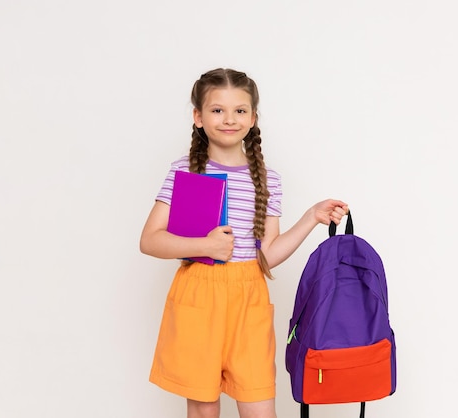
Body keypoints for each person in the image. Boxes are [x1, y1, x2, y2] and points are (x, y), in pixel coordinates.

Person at [140, 68, 348, 418]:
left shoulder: (267, 180)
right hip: (198, 294)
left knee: (259, 405)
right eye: (217, 110)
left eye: (240, 110)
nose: (229, 119)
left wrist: (311, 217)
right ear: (198, 117)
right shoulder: (185, 173)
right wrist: (204, 247)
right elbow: (150, 240)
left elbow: (268, 254)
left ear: (253, 118)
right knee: (204, 408)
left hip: (249, 295)